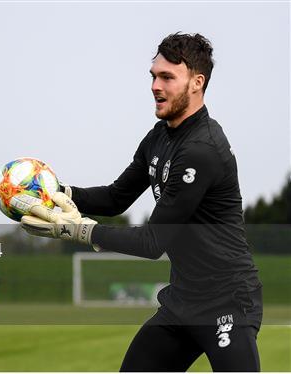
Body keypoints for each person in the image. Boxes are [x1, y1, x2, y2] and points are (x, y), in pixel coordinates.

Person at [21, 32, 262, 372]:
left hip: (228, 303)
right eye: (153, 76)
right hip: (181, 304)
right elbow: (116, 197)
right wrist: (57, 191)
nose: (155, 85)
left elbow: (152, 242)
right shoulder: (159, 136)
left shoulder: (202, 149)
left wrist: (81, 231)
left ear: (197, 82)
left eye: (167, 77)